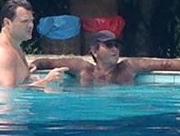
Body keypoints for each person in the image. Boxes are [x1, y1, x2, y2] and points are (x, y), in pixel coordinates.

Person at [32, 29, 180, 86]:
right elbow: (52, 62)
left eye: (117, 45)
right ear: (95, 51)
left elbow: (164, 64)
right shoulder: (84, 69)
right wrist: (36, 63)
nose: (115, 49)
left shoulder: (128, 67)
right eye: (109, 45)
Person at [0, 0, 68, 88]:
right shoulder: (2, 53)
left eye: (31, 21)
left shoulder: (14, 45)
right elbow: (7, 93)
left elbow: (15, 86)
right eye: (25, 21)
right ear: (7, 23)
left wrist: (30, 81)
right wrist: (47, 81)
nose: (31, 25)